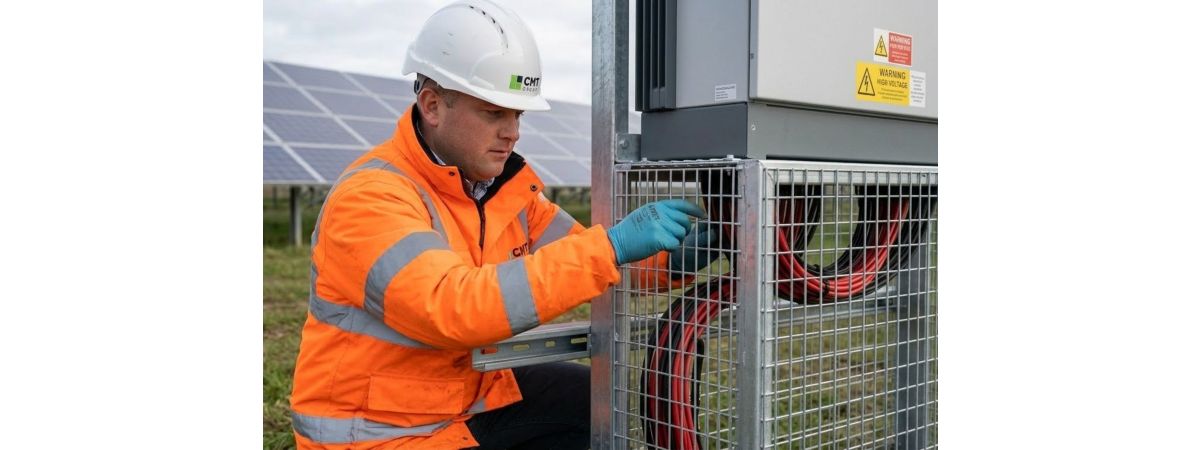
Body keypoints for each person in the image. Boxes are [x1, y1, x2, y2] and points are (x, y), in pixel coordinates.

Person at [289, 1, 719, 448]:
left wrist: (668, 262)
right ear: (433, 105)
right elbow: (453, 307)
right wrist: (610, 247)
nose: (512, 131)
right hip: (382, 431)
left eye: (518, 115)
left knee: (589, 403)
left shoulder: (499, 193)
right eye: (494, 113)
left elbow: (584, 257)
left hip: (461, 397)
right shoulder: (373, 196)